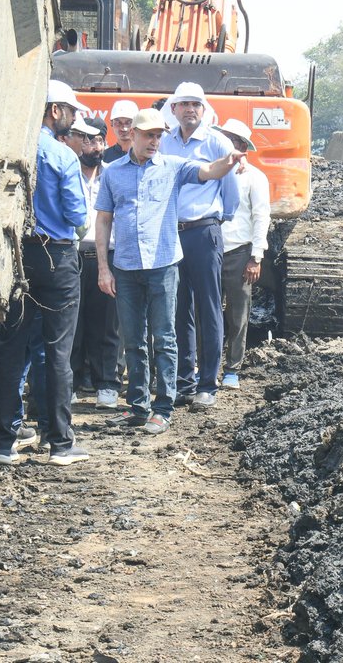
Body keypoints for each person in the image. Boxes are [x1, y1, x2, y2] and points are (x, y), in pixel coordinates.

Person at [95, 108, 246, 435]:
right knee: (133, 339)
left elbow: (208, 171)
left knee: (164, 337)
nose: (154, 141)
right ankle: (138, 405)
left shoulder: (174, 167)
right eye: (148, 135)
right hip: (126, 266)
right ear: (132, 134)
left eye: (158, 135)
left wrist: (230, 160)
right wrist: (103, 269)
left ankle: (163, 406)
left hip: (163, 266)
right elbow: (104, 219)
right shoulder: (112, 173)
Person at [0, 80, 89, 466]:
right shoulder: (62, 156)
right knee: (57, 351)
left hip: (14, 258)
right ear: (54, 111)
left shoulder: (10, 149)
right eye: (71, 111)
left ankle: (3, 443)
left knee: (12, 350)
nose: (75, 118)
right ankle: (60, 444)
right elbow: (77, 216)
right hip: (58, 258)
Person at [158, 82, 239, 411]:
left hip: (204, 230)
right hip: (173, 233)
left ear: (203, 110)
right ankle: (184, 382)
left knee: (208, 307)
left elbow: (229, 191)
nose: (190, 109)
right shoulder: (164, 142)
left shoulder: (217, 141)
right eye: (183, 104)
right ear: (174, 109)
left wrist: (219, 220)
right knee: (180, 310)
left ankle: (208, 384)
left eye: (196, 104)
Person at [66, 116, 121, 408]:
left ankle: (107, 384)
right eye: (87, 140)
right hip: (72, 254)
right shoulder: (67, 170)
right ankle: (71, 383)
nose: (93, 146)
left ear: (104, 143)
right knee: (72, 324)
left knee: (107, 324)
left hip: (107, 255)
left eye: (98, 140)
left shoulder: (113, 174)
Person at [214, 119, 270, 390]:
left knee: (238, 313)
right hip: (210, 251)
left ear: (240, 145)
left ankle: (232, 368)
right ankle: (207, 366)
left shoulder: (255, 177)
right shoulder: (212, 172)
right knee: (207, 313)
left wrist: (256, 256)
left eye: (229, 140)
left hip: (239, 252)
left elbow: (261, 217)